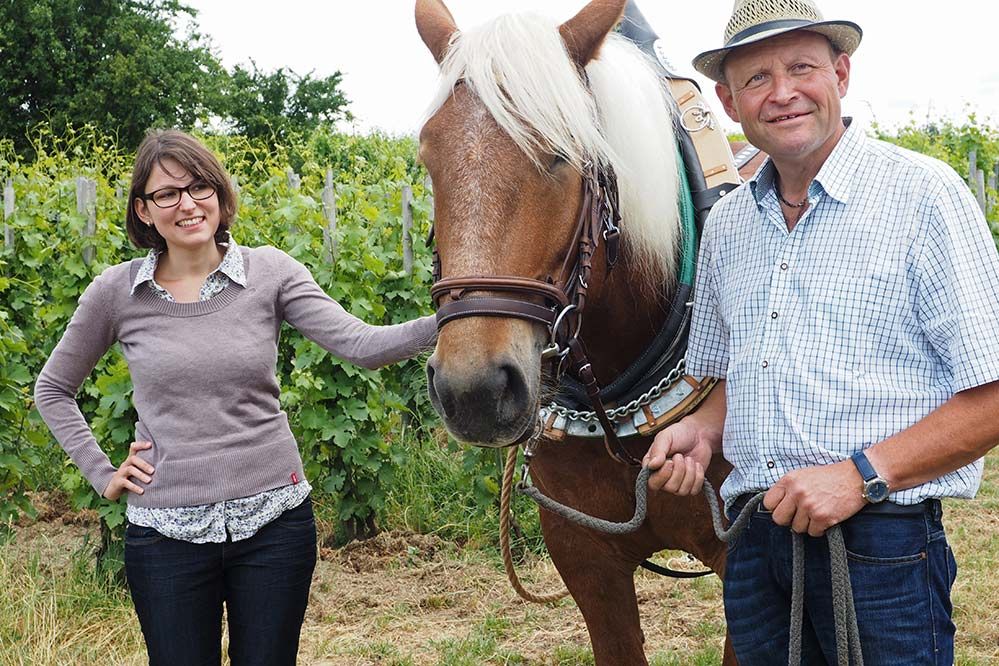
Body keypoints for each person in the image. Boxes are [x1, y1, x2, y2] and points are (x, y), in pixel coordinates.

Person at [643, 0, 999, 663]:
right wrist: (701, 430)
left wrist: (859, 475)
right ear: (727, 100)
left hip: (879, 541)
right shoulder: (726, 227)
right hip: (755, 542)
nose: (780, 94)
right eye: (755, 79)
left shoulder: (920, 196)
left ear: (840, 74)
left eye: (800, 68)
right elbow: (735, 376)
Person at [34, 129, 437, 665]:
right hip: (165, 534)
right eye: (167, 194)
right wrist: (100, 470)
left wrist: (460, 316)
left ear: (221, 196)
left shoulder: (271, 272)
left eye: (200, 187)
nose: (188, 204)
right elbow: (52, 389)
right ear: (144, 210)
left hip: (275, 524)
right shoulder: (116, 293)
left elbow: (361, 344)